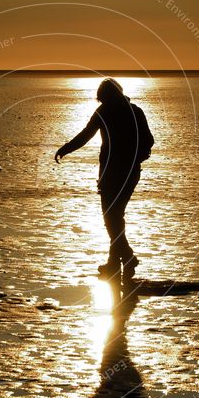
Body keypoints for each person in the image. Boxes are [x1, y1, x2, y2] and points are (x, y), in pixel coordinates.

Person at [55, 78, 154, 279]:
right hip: (131, 172)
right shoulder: (136, 111)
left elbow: (85, 135)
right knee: (116, 216)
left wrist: (65, 149)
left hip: (112, 172)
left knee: (112, 217)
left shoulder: (105, 111)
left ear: (104, 97)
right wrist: (139, 156)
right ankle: (113, 264)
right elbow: (149, 140)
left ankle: (127, 257)